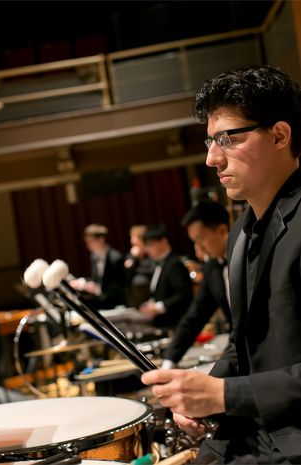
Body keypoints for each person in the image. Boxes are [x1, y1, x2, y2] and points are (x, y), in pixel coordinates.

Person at [142, 65, 301, 464]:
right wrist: (200, 391)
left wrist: (225, 395)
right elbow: (243, 344)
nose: (212, 158)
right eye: (211, 140)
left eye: (227, 139)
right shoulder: (241, 233)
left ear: (280, 135)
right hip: (249, 433)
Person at [161, 200, 231, 369]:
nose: (197, 249)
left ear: (222, 231)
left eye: (200, 239)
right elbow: (195, 317)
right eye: (194, 242)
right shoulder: (212, 268)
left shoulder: (250, 257)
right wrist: (169, 361)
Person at [138, 224, 193, 330]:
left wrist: (158, 307)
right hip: (162, 322)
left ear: (163, 242)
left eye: (150, 244)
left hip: (174, 324)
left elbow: (184, 295)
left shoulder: (174, 264)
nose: (147, 250)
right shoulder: (160, 264)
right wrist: (151, 304)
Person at [69, 223, 126, 309]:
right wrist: (81, 282)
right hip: (101, 301)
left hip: (116, 304)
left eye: (90, 241)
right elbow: (95, 280)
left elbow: (119, 287)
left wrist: (98, 289)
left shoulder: (115, 258)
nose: (87, 245)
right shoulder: (94, 257)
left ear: (101, 239)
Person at [124, 224, 155, 308]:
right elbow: (126, 274)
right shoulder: (131, 256)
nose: (132, 240)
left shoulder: (151, 253)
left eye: (135, 238)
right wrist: (134, 257)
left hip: (148, 290)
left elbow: (152, 270)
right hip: (133, 294)